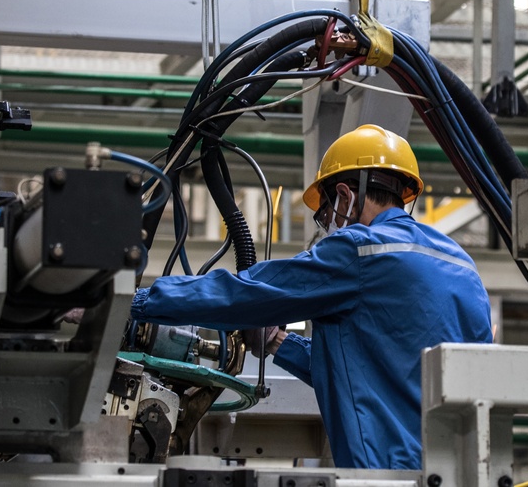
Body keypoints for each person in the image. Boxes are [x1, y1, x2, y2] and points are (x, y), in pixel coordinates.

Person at [131, 124, 492, 470]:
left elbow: (247, 293)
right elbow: (372, 370)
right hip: (462, 472)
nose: (328, 225)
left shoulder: (360, 250)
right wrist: (277, 342)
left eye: (325, 214)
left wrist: (137, 304)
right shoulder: (463, 266)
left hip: (387, 475)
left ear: (346, 197)